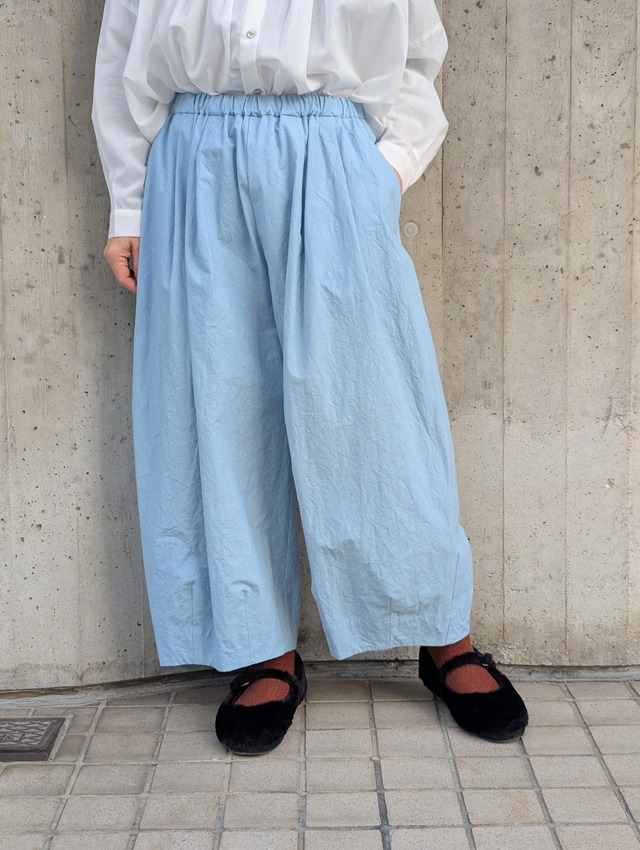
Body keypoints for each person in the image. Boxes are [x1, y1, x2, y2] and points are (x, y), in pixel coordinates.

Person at [92, 0, 528, 755]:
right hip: (194, 158)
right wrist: (128, 203)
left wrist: (382, 172)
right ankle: (262, 647)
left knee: (375, 408)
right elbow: (123, 53)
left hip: (332, 155)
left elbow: (416, 57)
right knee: (217, 410)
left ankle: (440, 633)